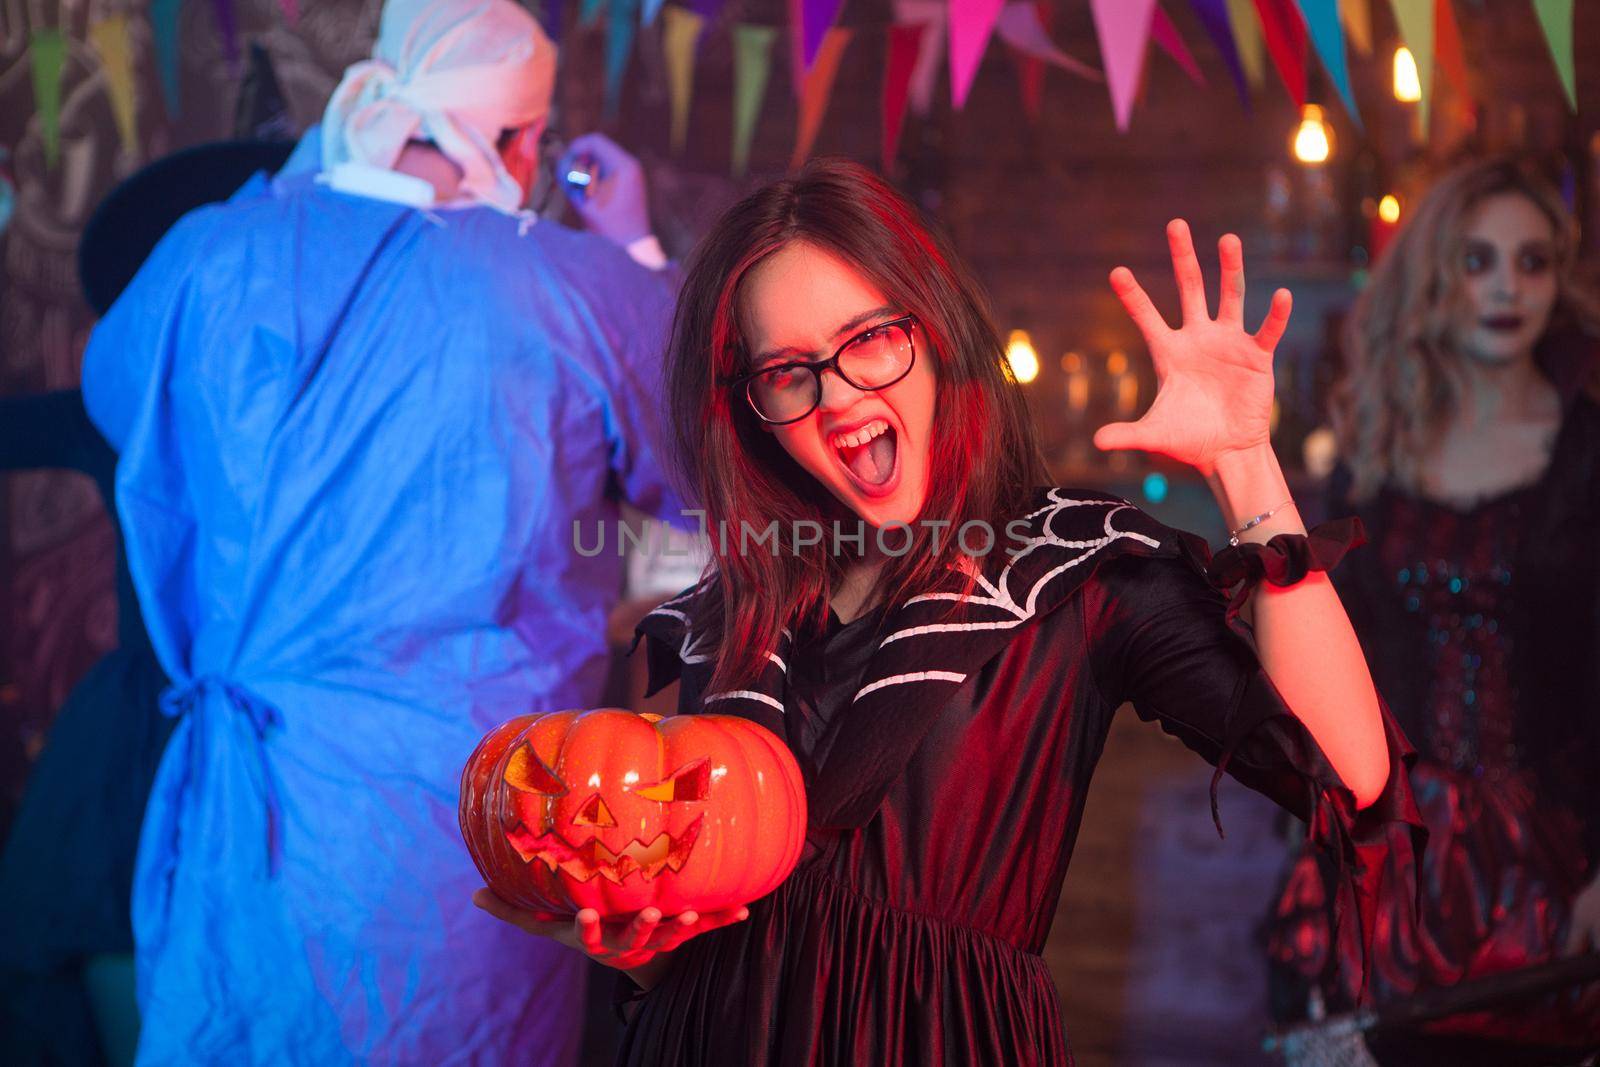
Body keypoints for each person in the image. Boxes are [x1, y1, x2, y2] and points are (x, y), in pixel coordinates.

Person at [473, 158, 1425, 1064]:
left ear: (935, 333)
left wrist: (1243, 461)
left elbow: (1347, 768)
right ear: (750, 405)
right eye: (788, 371)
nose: (840, 394)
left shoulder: (1078, 572)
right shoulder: (733, 614)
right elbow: (711, 921)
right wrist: (633, 941)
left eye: (870, 338)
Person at [79, 0, 684, 1061]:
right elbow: (699, 454)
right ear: (521, 140)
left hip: (251, 826)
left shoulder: (208, 257)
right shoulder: (563, 284)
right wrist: (632, 247)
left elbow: (121, 401)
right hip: (472, 840)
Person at [1267, 157, 1600, 1063]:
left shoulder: (1588, 448)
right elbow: (1336, 659)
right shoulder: (1376, 448)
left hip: (1556, 857)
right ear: (1435, 276)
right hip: (1389, 858)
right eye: (1477, 260)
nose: (1507, 288)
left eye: (1532, 263)